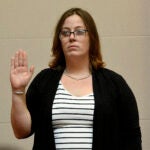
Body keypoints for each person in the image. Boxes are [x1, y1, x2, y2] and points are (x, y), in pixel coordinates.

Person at [10, 7, 142, 150]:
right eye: (65, 33)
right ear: (59, 40)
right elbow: (21, 132)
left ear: (91, 38)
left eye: (79, 31)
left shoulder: (114, 83)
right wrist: (18, 91)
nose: (71, 37)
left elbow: (132, 136)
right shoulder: (44, 80)